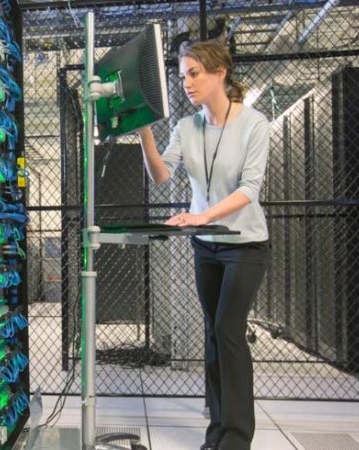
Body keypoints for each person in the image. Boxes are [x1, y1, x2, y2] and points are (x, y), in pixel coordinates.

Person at [136, 39, 271, 450]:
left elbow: (249, 189)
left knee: (229, 330)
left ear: (220, 73)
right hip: (205, 246)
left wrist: (202, 216)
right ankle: (217, 434)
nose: (187, 83)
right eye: (182, 77)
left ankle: (236, 439)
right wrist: (144, 132)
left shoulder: (253, 124)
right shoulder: (185, 127)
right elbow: (162, 174)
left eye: (194, 74)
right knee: (214, 335)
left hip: (245, 244)